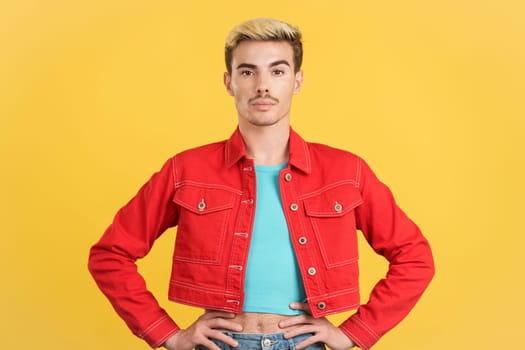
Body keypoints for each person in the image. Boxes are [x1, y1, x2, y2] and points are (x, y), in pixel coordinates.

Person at [88, 18, 434, 350]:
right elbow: (110, 255)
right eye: (248, 71)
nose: (262, 85)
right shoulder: (187, 169)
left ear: (296, 81)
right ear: (229, 82)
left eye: (277, 70)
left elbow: (415, 257)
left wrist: (355, 332)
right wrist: (167, 334)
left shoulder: (346, 171)